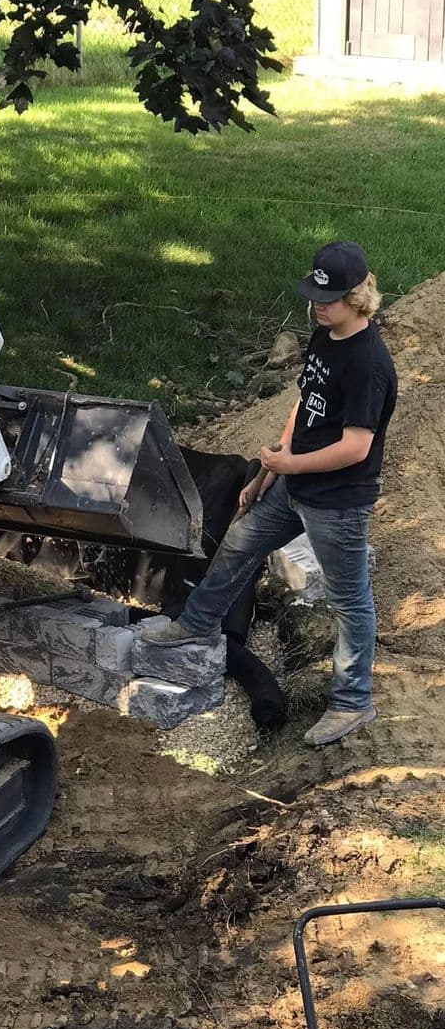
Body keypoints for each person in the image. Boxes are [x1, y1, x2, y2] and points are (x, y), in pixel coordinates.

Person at [143, 241, 397, 747]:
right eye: (314, 296)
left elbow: (356, 447)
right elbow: (306, 403)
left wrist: (290, 465)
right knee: (239, 544)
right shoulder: (325, 336)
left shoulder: (369, 363)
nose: (317, 306)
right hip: (291, 483)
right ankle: (197, 624)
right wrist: (269, 469)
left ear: (357, 297)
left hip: (337, 502)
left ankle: (352, 702)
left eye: (328, 299)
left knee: (350, 601)